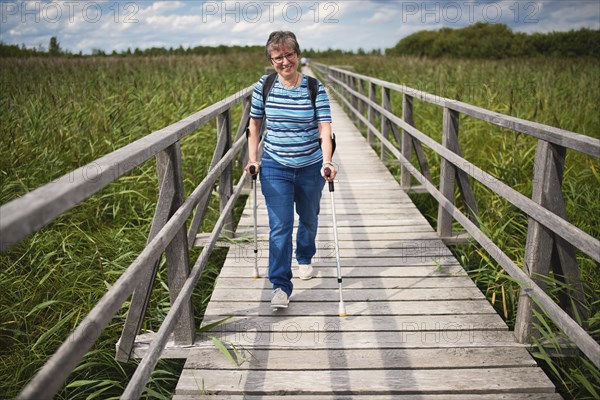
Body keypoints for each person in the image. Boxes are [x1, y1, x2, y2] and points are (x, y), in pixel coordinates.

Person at [245, 31, 336, 309]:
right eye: (277, 57)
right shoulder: (265, 85)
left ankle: (305, 256)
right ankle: (281, 286)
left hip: (310, 166)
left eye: (289, 55)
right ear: (271, 60)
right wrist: (253, 158)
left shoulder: (313, 87)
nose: (284, 62)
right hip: (275, 165)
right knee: (280, 226)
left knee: (308, 219)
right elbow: (254, 125)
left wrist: (327, 161)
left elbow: (325, 128)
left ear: (297, 55)